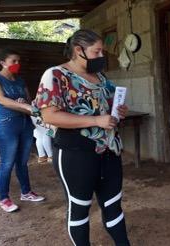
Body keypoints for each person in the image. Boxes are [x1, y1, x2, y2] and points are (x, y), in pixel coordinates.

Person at [33, 29, 130, 246]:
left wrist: (118, 110)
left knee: (113, 205)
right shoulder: (56, 75)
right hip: (75, 155)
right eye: (96, 52)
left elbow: (110, 104)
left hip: (109, 152)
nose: (101, 57)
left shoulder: (100, 77)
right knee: (79, 208)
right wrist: (96, 121)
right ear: (79, 51)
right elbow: (49, 115)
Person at [0, 48, 45, 213]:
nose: (17, 64)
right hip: (6, 125)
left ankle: (26, 192)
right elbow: (2, 100)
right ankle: (4, 198)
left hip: (25, 123)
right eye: (13, 61)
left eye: (18, 61)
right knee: (7, 163)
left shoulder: (20, 80)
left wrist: (28, 103)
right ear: (2, 63)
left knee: (22, 162)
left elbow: (29, 102)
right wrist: (24, 105)